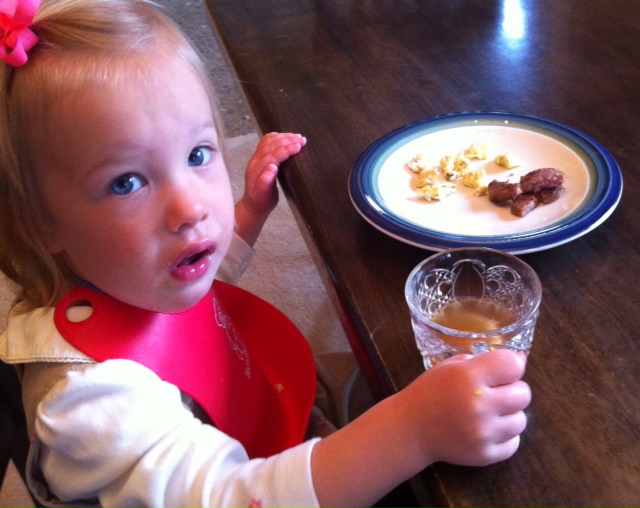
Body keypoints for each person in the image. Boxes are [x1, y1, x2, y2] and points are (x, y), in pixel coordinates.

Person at [0, 1, 531, 507]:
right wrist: (412, 431)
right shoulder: (93, 406)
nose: (191, 208)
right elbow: (232, 496)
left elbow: (193, 306)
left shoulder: (129, 272)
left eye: (198, 154)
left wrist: (248, 215)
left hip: (254, 404)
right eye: (126, 182)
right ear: (37, 222)